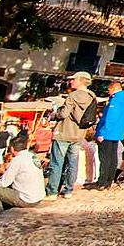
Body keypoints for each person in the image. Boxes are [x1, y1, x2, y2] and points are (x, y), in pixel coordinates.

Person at [46, 71, 97, 200]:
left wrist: (54, 114)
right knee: (73, 163)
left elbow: (63, 114)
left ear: (80, 81)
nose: (71, 82)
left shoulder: (72, 96)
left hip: (64, 132)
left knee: (57, 163)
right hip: (79, 133)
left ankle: (52, 192)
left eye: (73, 79)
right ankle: (68, 190)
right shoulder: (92, 96)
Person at [0, 136, 44, 214]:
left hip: (26, 200)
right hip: (38, 197)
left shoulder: (17, 160)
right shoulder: (32, 156)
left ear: (12, 148)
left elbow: (4, 183)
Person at [93, 81, 124, 190]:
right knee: (113, 157)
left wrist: (102, 133)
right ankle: (109, 180)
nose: (108, 92)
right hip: (117, 132)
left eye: (109, 90)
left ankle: (102, 181)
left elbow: (111, 117)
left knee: (105, 158)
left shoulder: (116, 100)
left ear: (114, 89)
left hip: (108, 132)